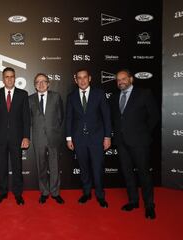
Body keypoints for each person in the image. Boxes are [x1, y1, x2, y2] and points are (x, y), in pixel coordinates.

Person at [111, 69, 159, 219]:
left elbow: (154, 116)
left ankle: (149, 205)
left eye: (123, 79)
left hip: (140, 142)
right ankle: (133, 200)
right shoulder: (114, 97)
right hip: (121, 141)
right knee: (127, 173)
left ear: (131, 79)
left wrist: (143, 133)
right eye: (118, 80)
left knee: (144, 173)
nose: (121, 82)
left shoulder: (144, 93)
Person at [65, 69, 111, 208]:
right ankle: (86, 193)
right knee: (84, 168)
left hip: (97, 138)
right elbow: (69, 119)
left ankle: (100, 195)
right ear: (75, 80)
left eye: (85, 77)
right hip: (79, 139)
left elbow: (106, 116)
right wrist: (68, 138)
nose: (82, 80)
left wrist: (107, 136)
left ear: (90, 78)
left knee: (97, 168)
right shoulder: (71, 96)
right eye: (79, 78)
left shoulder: (99, 94)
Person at [0, 67, 30, 205]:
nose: (9, 79)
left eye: (12, 76)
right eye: (6, 77)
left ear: (15, 77)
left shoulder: (23, 94)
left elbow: (26, 118)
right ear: (3, 78)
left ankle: (18, 194)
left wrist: (26, 136)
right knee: (2, 167)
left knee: (17, 167)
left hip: (17, 137)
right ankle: (2, 192)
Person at [29, 73, 65, 204]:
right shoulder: (30, 99)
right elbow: (29, 120)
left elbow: (61, 117)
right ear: (34, 85)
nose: (41, 84)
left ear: (48, 83)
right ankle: (44, 191)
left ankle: (55, 192)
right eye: (38, 82)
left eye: (43, 81)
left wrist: (56, 132)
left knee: (55, 166)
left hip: (54, 137)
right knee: (41, 166)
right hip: (38, 139)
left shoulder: (56, 97)